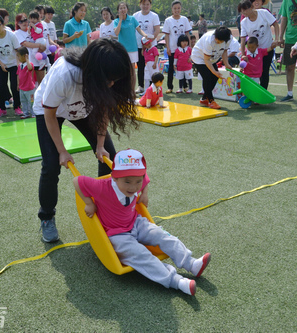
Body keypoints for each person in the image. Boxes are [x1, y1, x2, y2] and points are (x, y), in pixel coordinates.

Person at [33, 38, 138, 242]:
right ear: (95, 73)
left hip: (83, 108)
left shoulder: (107, 77)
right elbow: (49, 115)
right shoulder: (65, 75)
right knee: (51, 165)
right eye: (109, 80)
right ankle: (46, 217)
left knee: (109, 155)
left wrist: (100, 145)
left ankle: (104, 208)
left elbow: (104, 109)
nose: (112, 84)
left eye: (114, 80)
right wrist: (62, 150)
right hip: (52, 111)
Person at [73, 148, 211, 296]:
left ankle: (191, 264)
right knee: (140, 254)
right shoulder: (101, 187)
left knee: (161, 235)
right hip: (117, 234)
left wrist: (144, 193)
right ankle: (176, 281)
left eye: (137, 182)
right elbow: (77, 181)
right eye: (127, 182)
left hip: (136, 222)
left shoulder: (137, 178)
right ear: (114, 178)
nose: (133, 187)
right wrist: (89, 203)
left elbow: (144, 178)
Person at [239, 0, 280, 89]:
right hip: (254, 52)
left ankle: (262, 94)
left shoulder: (264, 13)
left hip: (267, 48)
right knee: (252, 72)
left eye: (245, 10)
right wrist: (243, 55)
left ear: (251, 7)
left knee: (264, 71)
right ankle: (252, 92)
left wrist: (276, 39)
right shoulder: (244, 22)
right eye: (242, 11)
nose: (243, 12)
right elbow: (242, 40)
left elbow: (276, 24)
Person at [191, 26, 233, 110]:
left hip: (212, 59)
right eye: (217, 39)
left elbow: (224, 51)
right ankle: (211, 101)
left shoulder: (228, 38)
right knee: (207, 78)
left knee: (215, 77)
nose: (217, 41)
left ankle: (204, 99)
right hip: (200, 58)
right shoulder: (209, 40)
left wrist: (227, 64)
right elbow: (206, 59)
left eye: (220, 40)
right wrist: (214, 71)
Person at [0, 15, 22, 118]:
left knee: (14, 86)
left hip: (13, 64)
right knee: (0, 86)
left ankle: (17, 107)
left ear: (3, 24)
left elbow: (17, 50)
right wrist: (1, 63)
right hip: (1, 64)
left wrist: (17, 65)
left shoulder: (11, 35)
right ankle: (2, 109)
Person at [114, 2, 151, 91]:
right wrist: (120, 20)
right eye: (121, 8)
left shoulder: (132, 19)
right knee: (123, 70)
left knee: (132, 71)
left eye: (124, 8)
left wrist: (144, 35)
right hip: (122, 50)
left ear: (127, 9)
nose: (123, 10)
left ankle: (131, 90)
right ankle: (123, 89)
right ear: (118, 10)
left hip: (133, 48)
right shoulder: (116, 21)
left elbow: (139, 29)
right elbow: (116, 33)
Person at [162, 0, 192, 93]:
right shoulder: (168, 20)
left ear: (181, 9)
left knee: (183, 67)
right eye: (175, 8)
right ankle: (170, 87)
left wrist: (189, 47)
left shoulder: (184, 19)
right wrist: (168, 47)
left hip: (183, 49)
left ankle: (185, 86)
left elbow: (187, 33)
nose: (177, 10)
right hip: (173, 48)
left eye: (178, 8)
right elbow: (166, 35)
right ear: (172, 9)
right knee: (171, 67)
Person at [133, 0, 160, 94]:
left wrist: (149, 43)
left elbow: (157, 30)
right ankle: (141, 86)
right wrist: (142, 45)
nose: (145, 6)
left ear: (150, 5)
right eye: (143, 4)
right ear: (140, 4)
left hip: (151, 47)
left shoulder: (154, 16)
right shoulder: (135, 15)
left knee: (151, 67)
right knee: (140, 66)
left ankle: (153, 86)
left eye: (147, 4)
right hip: (139, 46)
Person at [16, 46, 35, 119]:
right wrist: (18, 84)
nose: (18, 58)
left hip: (29, 88)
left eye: (19, 56)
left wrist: (27, 59)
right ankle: (25, 113)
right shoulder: (20, 65)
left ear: (24, 56)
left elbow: (30, 68)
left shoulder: (29, 64)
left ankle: (33, 113)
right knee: (23, 101)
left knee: (31, 101)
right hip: (22, 88)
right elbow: (18, 75)